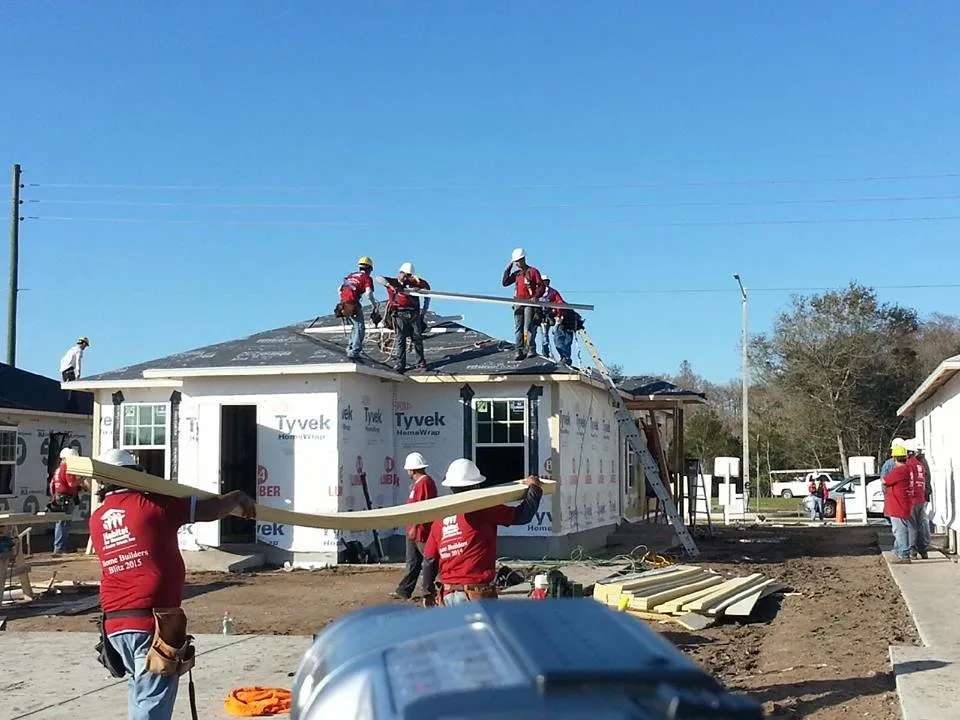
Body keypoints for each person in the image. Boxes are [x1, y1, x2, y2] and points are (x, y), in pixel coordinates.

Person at [89, 448, 256, 720]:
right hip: (149, 623)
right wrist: (237, 496)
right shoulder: (152, 506)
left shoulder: (97, 519)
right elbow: (211, 509)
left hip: (114, 625)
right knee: (151, 702)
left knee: (141, 694)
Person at [420, 458, 543, 606]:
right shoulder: (483, 509)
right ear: (477, 485)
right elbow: (522, 515)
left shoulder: (440, 518)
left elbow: (430, 560)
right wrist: (534, 489)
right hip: (475, 595)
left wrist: (427, 593)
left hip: (447, 595)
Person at [391, 452, 438, 600]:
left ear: (413, 470)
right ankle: (404, 590)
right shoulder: (419, 484)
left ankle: (432, 589)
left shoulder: (424, 483)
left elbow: (420, 508)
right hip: (415, 529)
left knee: (430, 559)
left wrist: (415, 527)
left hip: (421, 531)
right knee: (413, 562)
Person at [383, 262, 431, 373]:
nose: (406, 278)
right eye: (405, 275)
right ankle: (400, 363)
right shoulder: (393, 282)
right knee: (401, 339)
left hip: (413, 314)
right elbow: (379, 278)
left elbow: (428, 289)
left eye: (408, 276)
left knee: (417, 338)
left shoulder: (413, 283)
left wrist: (418, 282)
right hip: (399, 314)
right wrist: (390, 286)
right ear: (400, 273)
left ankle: (420, 362)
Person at [501, 248, 545, 361]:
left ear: (523, 259)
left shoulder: (533, 271)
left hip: (529, 302)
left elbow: (541, 286)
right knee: (518, 327)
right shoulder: (517, 274)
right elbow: (505, 283)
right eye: (515, 262)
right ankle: (519, 350)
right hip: (518, 303)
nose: (517, 263)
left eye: (518, 261)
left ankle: (531, 348)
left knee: (528, 326)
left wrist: (536, 296)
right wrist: (508, 267)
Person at [336, 257, 378, 361]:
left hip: (344, 304)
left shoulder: (351, 276)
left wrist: (342, 301)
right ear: (369, 269)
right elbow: (368, 293)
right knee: (360, 327)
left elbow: (339, 290)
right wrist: (374, 305)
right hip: (352, 304)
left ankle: (350, 348)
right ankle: (354, 351)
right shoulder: (366, 277)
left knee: (355, 327)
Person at [883, 441, 916, 564]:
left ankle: (903, 554)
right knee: (900, 529)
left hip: (897, 505)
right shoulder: (908, 469)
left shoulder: (899, 471)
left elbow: (885, 480)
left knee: (899, 530)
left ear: (894, 458)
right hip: (904, 504)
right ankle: (897, 551)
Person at [49, 447, 86, 555]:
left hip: (58, 497)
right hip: (65, 498)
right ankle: (60, 547)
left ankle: (59, 546)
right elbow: (71, 483)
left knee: (60, 522)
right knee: (64, 523)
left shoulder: (58, 468)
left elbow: (52, 484)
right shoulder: (67, 467)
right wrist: (83, 479)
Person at [540, 277, 575, 365]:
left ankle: (565, 358)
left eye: (546, 282)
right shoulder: (537, 292)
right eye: (543, 282)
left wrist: (558, 315)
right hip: (543, 317)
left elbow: (559, 302)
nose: (545, 283)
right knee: (544, 337)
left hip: (554, 316)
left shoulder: (552, 292)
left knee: (559, 339)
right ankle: (546, 354)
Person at [906, 439, 931, 559]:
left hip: (911, 499)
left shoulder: (908, 464)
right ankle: (923, 549)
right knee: (921, 524)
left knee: (911, 525)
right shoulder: (921, 465)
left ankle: (912, 550)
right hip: (921, 498)